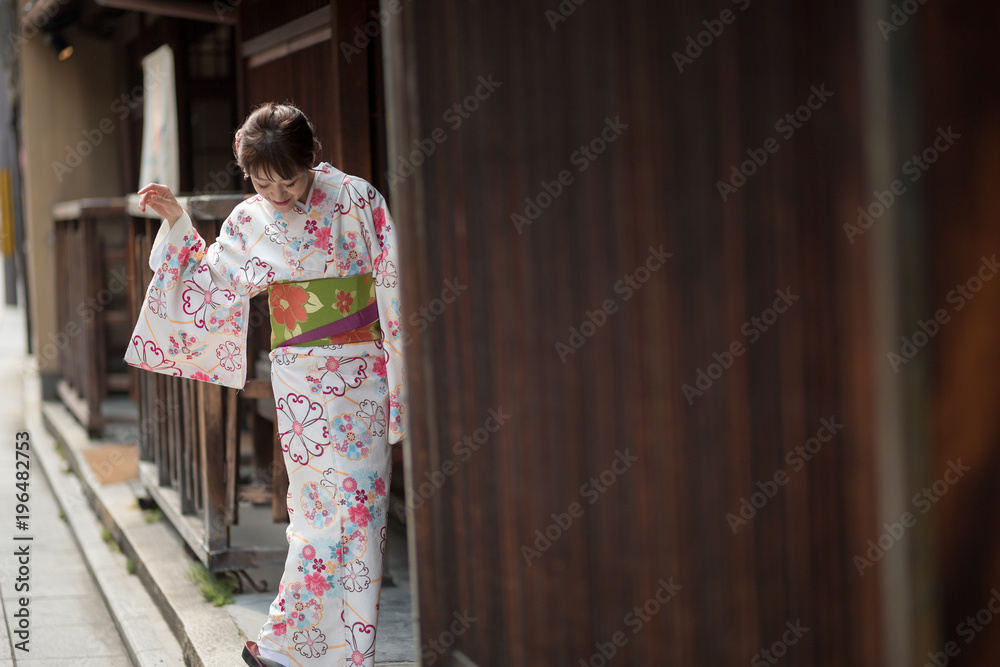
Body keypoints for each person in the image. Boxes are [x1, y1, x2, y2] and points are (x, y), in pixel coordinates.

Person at [124, 102, 406, 667]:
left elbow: (394, 282)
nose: (277, 194)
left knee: (361, 513)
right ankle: (293, 647)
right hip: (301, 382)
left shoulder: (358, 199)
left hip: (364, 378)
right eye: (261, 181)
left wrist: (402, 381)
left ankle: (339, 652)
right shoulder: (250, 220)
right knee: (315, 513)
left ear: (312, 159)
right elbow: (206, 284)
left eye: (290, 179)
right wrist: (176, 221)